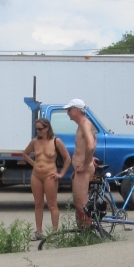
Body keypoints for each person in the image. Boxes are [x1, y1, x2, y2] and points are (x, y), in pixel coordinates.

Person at [22, 117, 71, 239]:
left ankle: (54, 233)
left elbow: (67, 159)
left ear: (47, 128)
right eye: (37, 129)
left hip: (50, 175)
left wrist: (61, 174)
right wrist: (34, 164)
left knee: (52, 205)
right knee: (38, 204)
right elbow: (25, 154)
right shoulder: (34, 142)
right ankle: (38, 231)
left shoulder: (56, 141)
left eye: (40, 129)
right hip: (36, 175)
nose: (38, 131)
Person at [64, 98, 96, 227]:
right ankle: (82, 230)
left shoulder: (85, 124)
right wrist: (90, 158)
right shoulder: (82, 125)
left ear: (76, 110)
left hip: (83, 169)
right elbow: (93, 142)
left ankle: (86, 232)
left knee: (81, 204)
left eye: (69, 110)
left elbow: (91, 146)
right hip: (80, 169)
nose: (67, 113)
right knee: (78, 202)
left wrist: (85, 164)